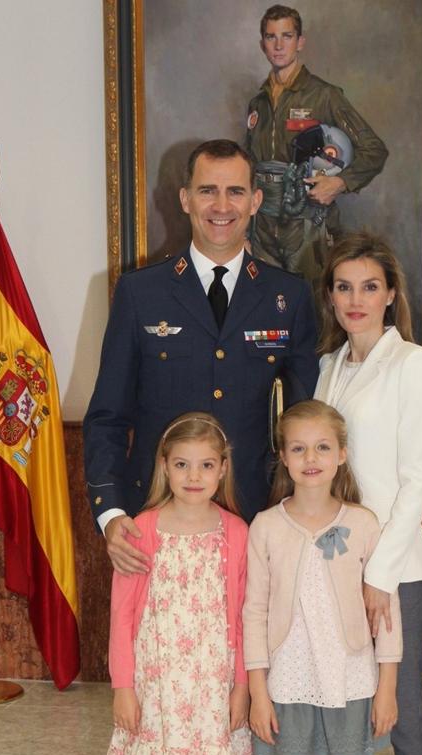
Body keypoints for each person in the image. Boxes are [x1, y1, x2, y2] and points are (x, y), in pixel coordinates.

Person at [83, 138, 319, 573]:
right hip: (154, 524)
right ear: (185, 199)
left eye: (236, 191)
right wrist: (112, 514)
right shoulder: (140, 294)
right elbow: (107, 418)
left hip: (256, 524)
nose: (221, 205)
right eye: (208, 190)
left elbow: (303, 421)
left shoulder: (289, 296)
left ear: (255, 201)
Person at [314, 232, 422, 755]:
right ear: (331, 296)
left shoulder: (413, 363)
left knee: (403, 713)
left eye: (369, 286)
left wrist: (379, 576)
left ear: (391, 294)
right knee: (350, 713)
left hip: (396, 569)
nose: (355, 299)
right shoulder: (328, 366)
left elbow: (417, 479)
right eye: (344, 287)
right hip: (335, 561)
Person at [243, 400, 402, 755]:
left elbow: (387, 614)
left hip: (350, 679)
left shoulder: (363, 524)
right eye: (298, 448)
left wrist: (387, 689)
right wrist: (258, 694)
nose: (310, 458)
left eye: (323, 447)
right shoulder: (265, 526)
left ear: (342, 454)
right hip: (289, 679)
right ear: (283, 456)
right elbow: (254, 613)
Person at [105, 412, 259, 755]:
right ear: (164, 466)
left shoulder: (237, 533)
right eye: (181, 464)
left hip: (213, 687)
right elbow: (122, 616)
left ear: (223, 469)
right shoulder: (141, 529)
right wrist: (123, 688)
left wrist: (242, 687)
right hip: (156, 687)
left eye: (206, 465)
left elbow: (243, 617)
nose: (193, 476)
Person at [246, 5, 388, 285]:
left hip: (307, 221)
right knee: (265, 310)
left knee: (311, 310)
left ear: (300, 42)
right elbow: (247, 168)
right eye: (271, 37)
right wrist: (243, 232)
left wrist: (340, 183)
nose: (278, 45)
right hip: (262, 225)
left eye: (286, 36)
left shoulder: (324, 96)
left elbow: (374, 149)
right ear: (262, 44)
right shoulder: (257, 103)